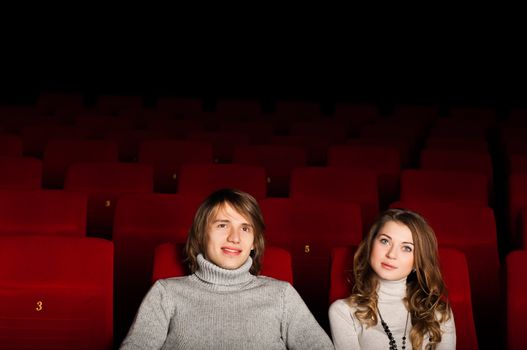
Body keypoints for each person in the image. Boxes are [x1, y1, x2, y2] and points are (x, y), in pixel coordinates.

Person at [120, 188, 334, 349]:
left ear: (253, 243)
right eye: (223, 225)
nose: (234, 238)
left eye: (245, 228)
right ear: (201, 235)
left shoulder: (282, 294)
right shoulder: (165, 293)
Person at [329, 208, 456, 350]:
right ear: (371, 244)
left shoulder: (439, 313)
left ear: (417, 262)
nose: (391, 254)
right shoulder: (343, 312)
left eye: (407, 248)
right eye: (385, 241)